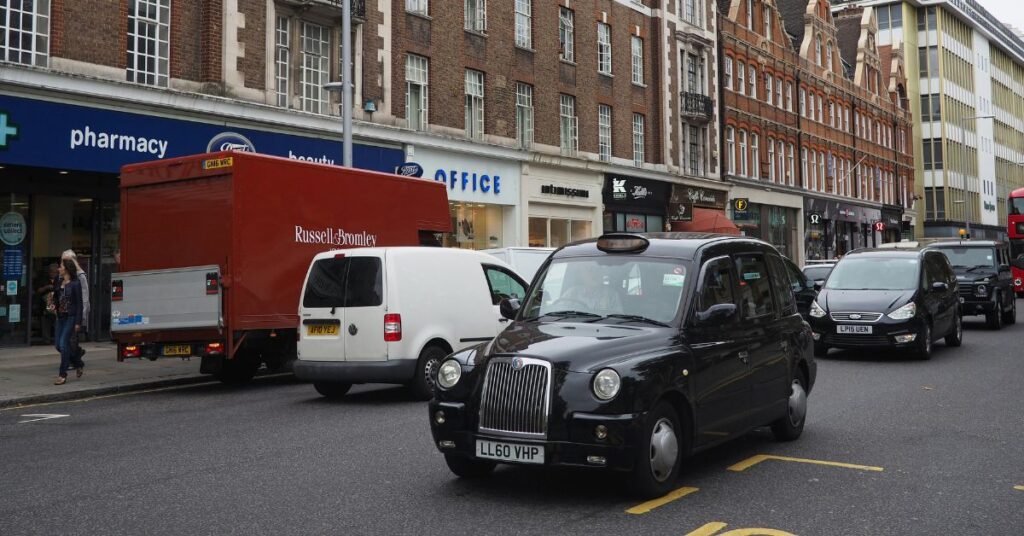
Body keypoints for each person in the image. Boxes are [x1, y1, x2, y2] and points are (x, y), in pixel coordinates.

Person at [54, 258, 85, 385]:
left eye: (60, 266)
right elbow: (55, 297)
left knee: (63, 343)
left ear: (66, 269)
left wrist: (78, 322)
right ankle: (78, 363)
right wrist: (54, 306)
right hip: (60, 316)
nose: (58, 269)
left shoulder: (75, 284)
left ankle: (62, 374)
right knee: (58, 345)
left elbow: (79, 304)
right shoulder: (58, 280)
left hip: (71, 317)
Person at [558, 268, 623, 315]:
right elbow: (558, 312)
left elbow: (618, 317)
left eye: (598, 270)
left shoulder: (611, 295)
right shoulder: (572, 293)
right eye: (590, 270)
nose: (595, 274)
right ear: (582, 275)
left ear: (602, 274)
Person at [62, 250, 90, 346]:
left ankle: (75, 356)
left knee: (69, 340)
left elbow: (84, 297)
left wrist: (81, 317)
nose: (63, 264)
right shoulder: (64, 274)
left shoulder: (80, 276)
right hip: (65, 313)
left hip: (74, 313)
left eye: (65, 261)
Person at [35, 263, 59, 344]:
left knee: (57, 322)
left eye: (55, 272)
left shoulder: (60, 279)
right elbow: (38, 290)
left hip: (56, 305)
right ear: (49, 272)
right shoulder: (43, 279)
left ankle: (58, 339)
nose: (53, 273)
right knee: (46, 322)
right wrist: (46, 287)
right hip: (45, 305)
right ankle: (46, 340)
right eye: (52, 272)